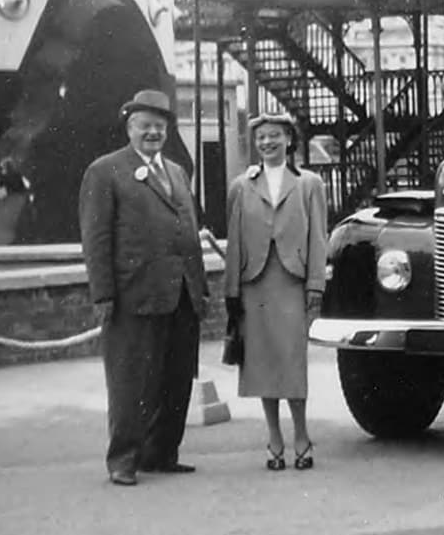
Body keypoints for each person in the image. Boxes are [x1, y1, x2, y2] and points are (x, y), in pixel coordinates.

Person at [79, 89, 208, 487]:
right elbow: (96, 238)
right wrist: (103, 294)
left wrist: (200, 289)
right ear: (129, 128)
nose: (152, 132)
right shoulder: (105, 171)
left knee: (175, 378)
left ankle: (162, 454)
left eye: (159, 126)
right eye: (144, 125)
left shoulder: (177, 172)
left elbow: (188, 234)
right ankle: (123, 459)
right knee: (130, 380)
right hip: (135, 294)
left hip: (182, 294)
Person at [224, 112, 328, 472]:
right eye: (261, 138)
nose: (267, 143)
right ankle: (274, 439)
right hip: (254, 284)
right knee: (262, 362)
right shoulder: (241, 185)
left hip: (292, 281)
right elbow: (234, 242)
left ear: (289, 140)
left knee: (291, 361)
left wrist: (316, 284)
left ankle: (301, 435)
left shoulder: (309, 184)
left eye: (274, 136)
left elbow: (318, 237)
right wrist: (231, 292)